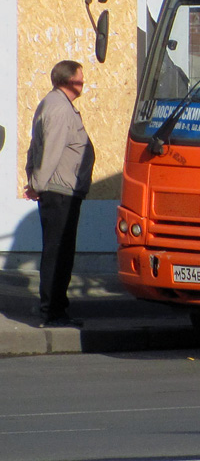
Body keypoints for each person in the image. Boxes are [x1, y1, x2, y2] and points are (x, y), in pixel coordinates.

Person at [23, 60, 94, 328]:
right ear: (68, 81)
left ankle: (55, 307)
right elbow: (50, 150)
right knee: (58, 252)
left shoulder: (50, 103)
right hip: (60, 191)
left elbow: (34, 146)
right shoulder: (60, 109)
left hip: (60, 189)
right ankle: (52, 311)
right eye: (80, 78)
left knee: (58, 250)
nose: (83, 83)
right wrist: (37, 184)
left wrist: (34, 178)